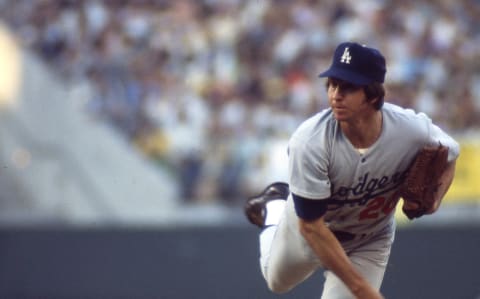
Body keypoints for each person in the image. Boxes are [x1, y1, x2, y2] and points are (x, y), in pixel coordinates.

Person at [244, 41, 459, 299]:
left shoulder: (410, 130)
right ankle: (275, 208)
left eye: (348, 87)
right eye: (332, 84)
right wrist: (363, 290)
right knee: (276, 281)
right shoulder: (310, 141)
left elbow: (451, 152)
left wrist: (435, 199)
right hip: (313, 230)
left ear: (373, 95)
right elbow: (312, 227)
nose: (336, 94)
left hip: (369, 238)